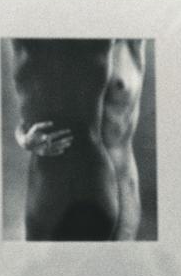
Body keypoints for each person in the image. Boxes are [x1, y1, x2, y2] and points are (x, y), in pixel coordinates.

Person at [10, 38, 146, 240]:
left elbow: (122, 146)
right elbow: (36, 104)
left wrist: (125, 245)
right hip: (46, 187)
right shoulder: (29, 35)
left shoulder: (126, 46)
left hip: (96, 186)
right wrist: (22, 137)